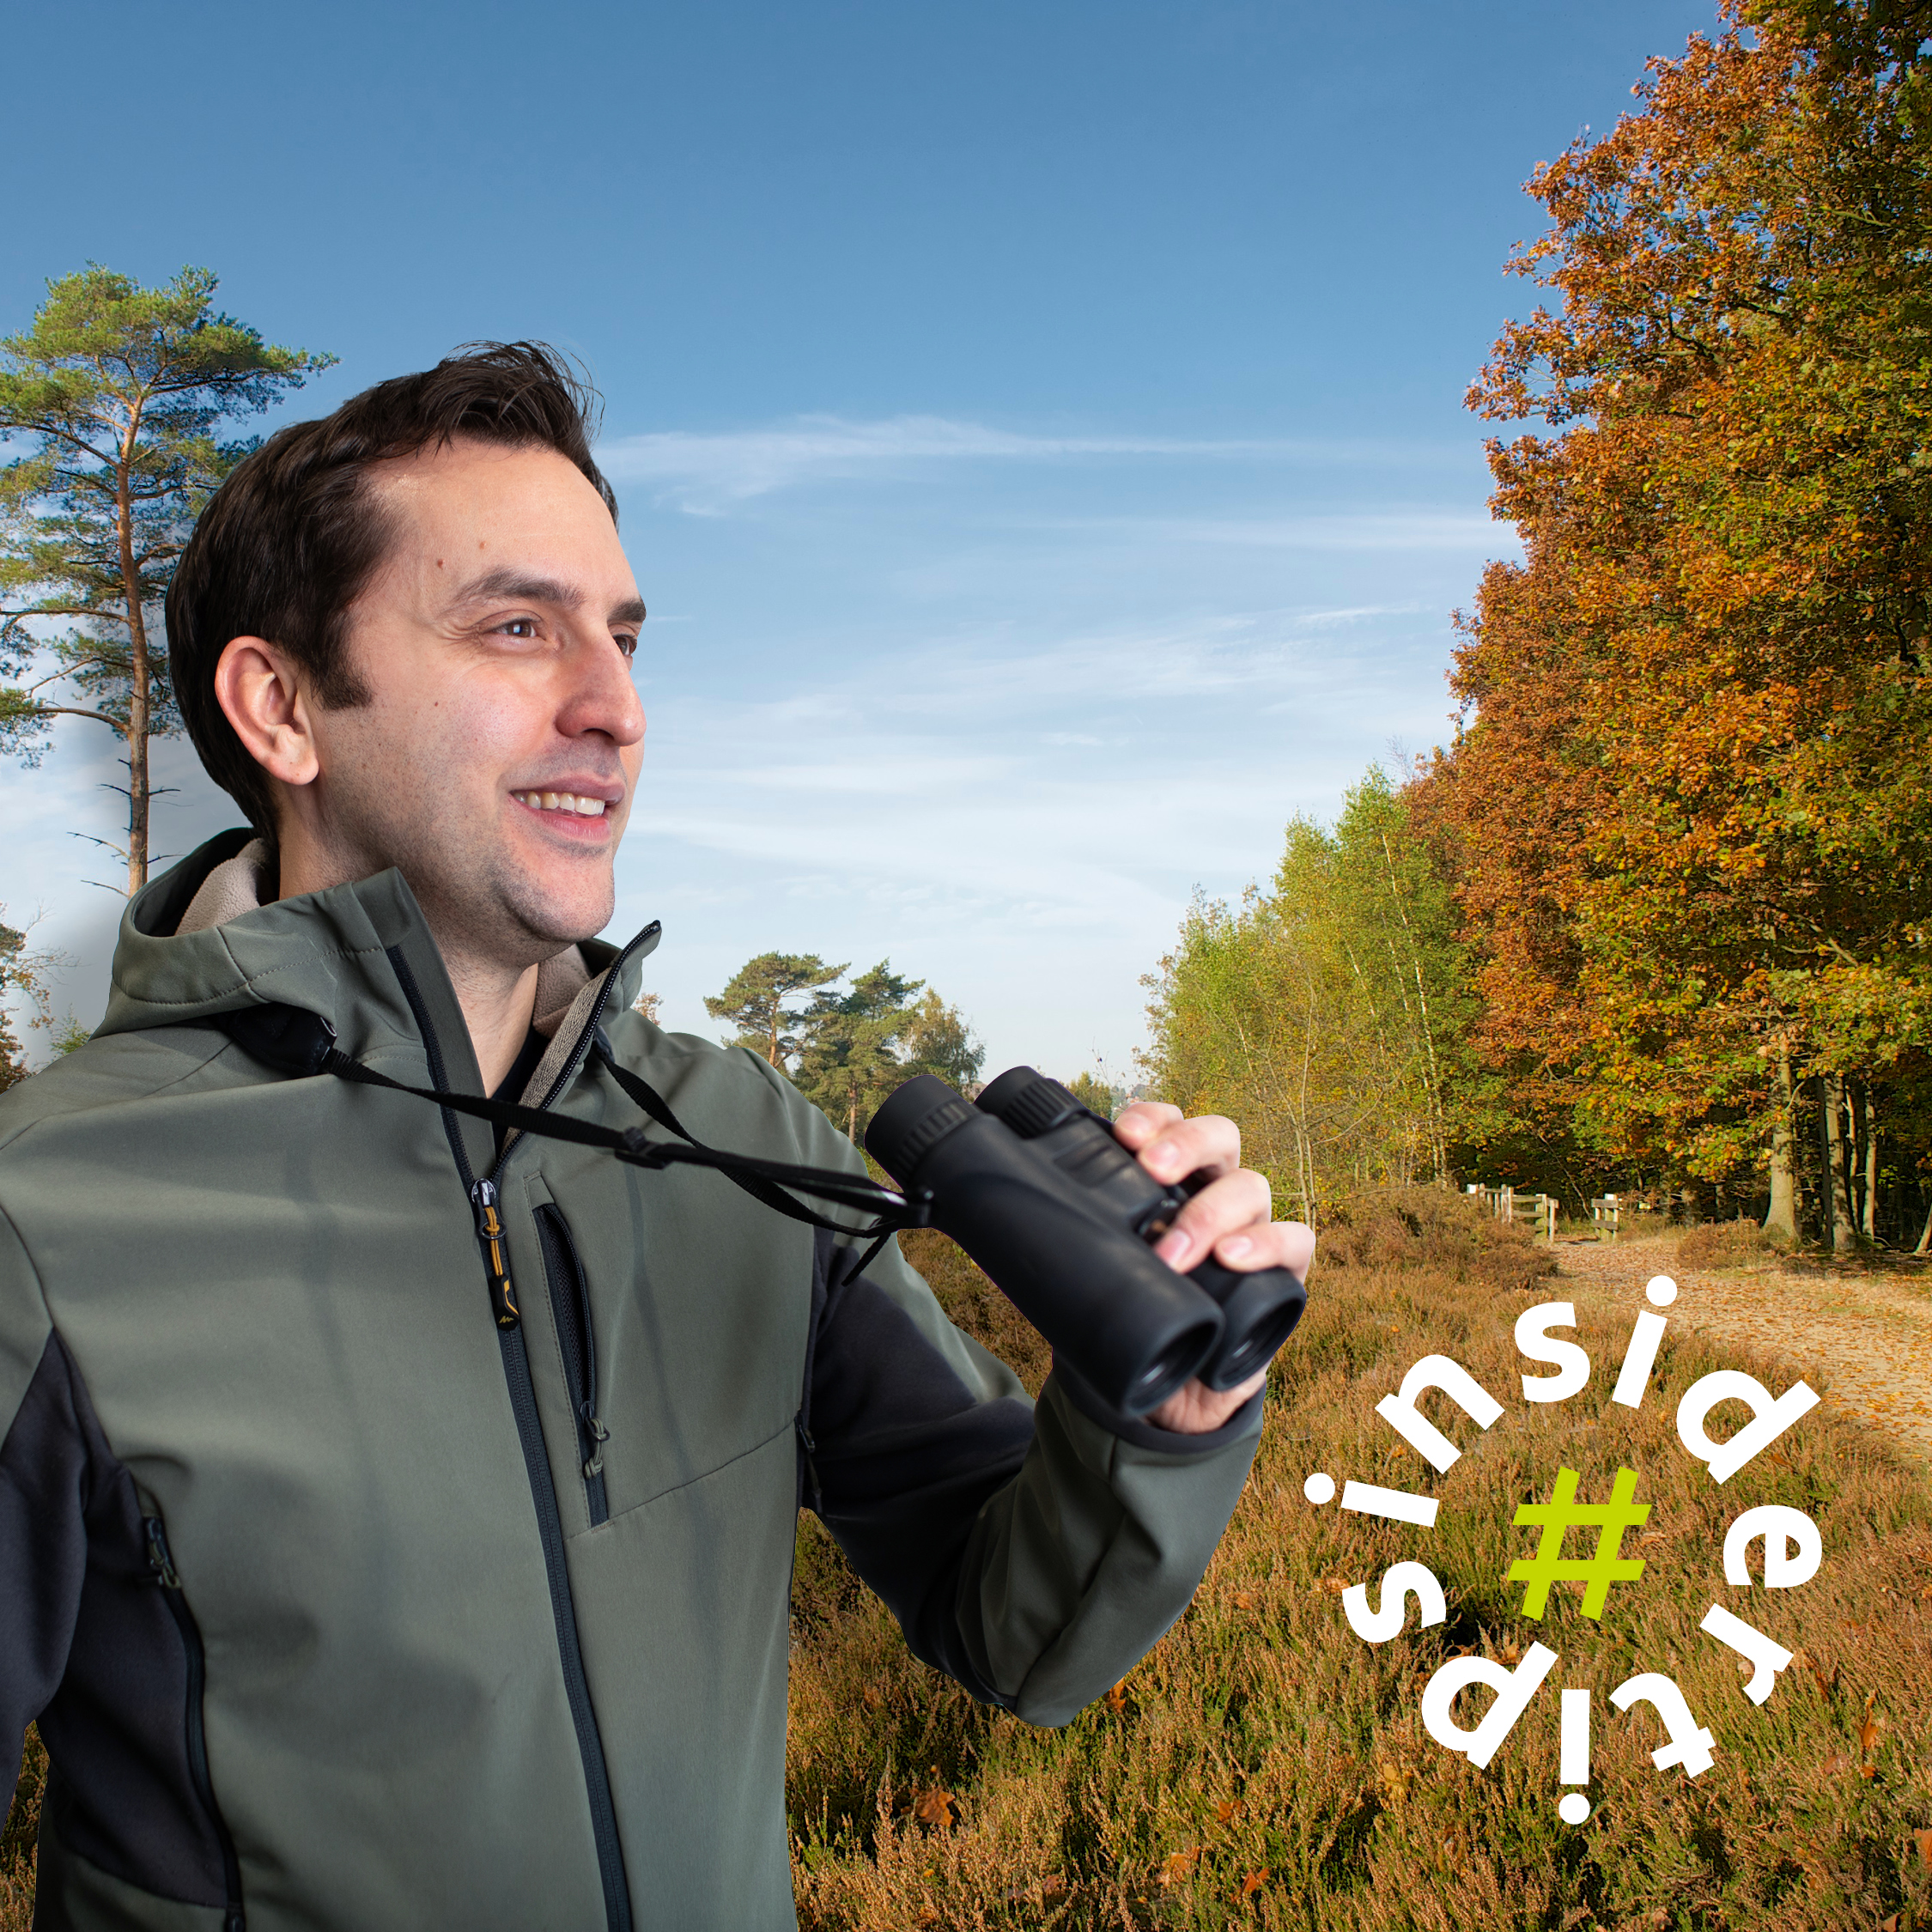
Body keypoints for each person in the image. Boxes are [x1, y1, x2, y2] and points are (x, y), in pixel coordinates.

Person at [0, 343, 1314, 1931]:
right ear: (281, 707)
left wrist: (1160, 1420)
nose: (613, 707)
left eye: (622, 638)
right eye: (515, 627)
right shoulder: (51, 1219)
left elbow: (1017, 1629)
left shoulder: (732, 1133)